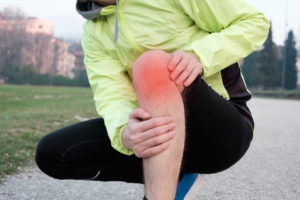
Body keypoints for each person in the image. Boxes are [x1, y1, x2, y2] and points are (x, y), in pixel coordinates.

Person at [35, 0, 270, 199]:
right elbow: (112, 94)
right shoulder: (93, 32)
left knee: (153, 65)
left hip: (220, 133)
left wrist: (199, 55)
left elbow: (254, 23)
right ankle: (177, 176)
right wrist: (125, 133)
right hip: (162, 133)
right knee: (52, 153)